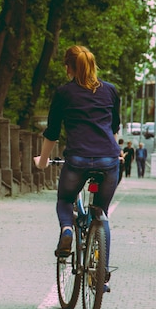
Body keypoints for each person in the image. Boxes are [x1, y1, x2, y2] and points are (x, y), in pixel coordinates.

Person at [34, 45, 120, 290]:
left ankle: (68, 229)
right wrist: (118, 153)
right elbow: (113, 128)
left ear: (68, 68)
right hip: (108, 160)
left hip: (78, 160)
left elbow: (52, 132)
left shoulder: (64, 93)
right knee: (101, 213)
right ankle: (99, 275)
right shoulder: (111, 91)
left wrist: (42, 161)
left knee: (65, 200)